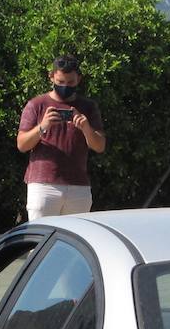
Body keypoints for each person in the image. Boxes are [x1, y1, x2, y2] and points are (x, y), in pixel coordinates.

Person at [15, 54, 107, 219]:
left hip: (78, 186)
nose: (65, 86)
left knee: (76, 240)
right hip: (43, 185)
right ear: (51, 77)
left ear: (79, 79)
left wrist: (86, 128)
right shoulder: (36, 105)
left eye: (70, 82)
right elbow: (22, 145)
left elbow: (99, 146)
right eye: (60, 82)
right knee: (41, 236)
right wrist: (43, 126)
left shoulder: (88, 107)